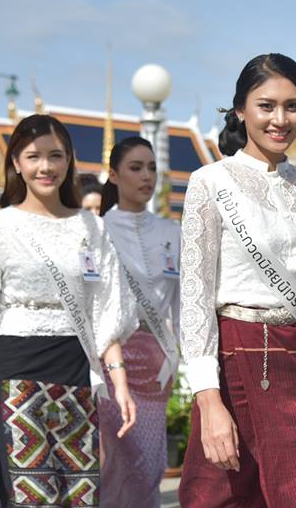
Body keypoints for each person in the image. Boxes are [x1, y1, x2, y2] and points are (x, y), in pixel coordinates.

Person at [0, 114, 139, 508]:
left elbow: (105, 309)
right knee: (28, 496)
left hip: (75, 368)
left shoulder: (90, 228)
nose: (45, 167)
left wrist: (121, 381)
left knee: (79, 495)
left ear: (69, 161)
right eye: (33, 157)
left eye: (55, 156)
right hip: (14, 370)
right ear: (16, 162)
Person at [179, 53, 296, 507]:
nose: (281, 119)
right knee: (230, 496)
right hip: (241, 354)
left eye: (293, 106)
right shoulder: (210, 183)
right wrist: (208, 400)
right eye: (266, 106)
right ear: (240, 110)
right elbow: (194, 296)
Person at [97, 136, 181, 507]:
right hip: (109, 360)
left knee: (151, 464)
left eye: (151, 168)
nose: (146, 177)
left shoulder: (172, 233)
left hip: (157, 361)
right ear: (114, 175)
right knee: (114, 460)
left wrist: (180, 358)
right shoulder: (96, 232)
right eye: (135, 168)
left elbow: (182, 303)